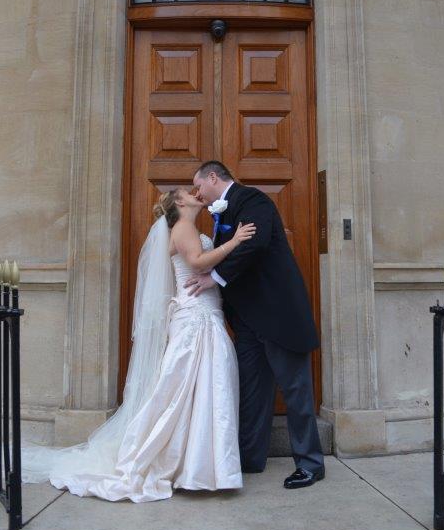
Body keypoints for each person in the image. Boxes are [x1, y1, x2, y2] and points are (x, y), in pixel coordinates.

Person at [21, 188, 255, 503]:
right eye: (189, 192)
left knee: (200, 390)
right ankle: (194, 467)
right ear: (180, 203)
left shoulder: (189, 228)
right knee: (186, 390)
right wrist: (235, 240)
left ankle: (199, 466)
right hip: (197, 318)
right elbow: (198, 263)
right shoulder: (183, 228)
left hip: (202, 313)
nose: (196, 192)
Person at [188, 161, 325, 489]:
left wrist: (214, 279)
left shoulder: (254, 201)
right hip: (247, 320)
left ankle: (310, 463)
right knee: (251, 390)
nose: (198, 194)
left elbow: (255, 243)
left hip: (277, 315)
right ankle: (250, 457)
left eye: (199, 186)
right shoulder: (218, 212)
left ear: (213, 177)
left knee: (295, 391)